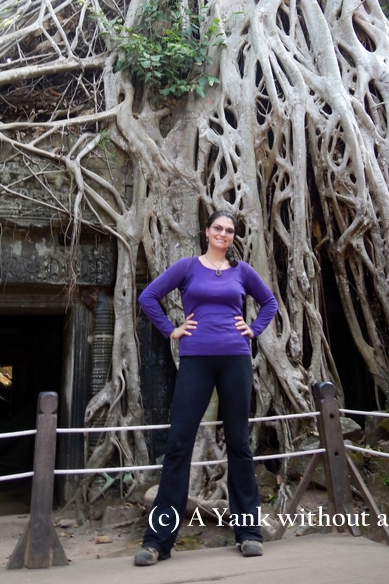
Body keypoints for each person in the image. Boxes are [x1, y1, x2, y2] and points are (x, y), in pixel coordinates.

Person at [134, 210, 278, 566]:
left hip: (235, 360)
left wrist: (253, 329)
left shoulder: (242, 271)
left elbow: (270, 303)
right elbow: (148, 297)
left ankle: (248, 533)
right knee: (179, 443)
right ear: (207, 231)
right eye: (218, 228)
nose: (223, 234)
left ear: (233, 237)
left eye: (229, 230)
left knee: (239, 443)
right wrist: (172, 330)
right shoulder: (187, 267)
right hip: (196, 359)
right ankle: (157, 542)